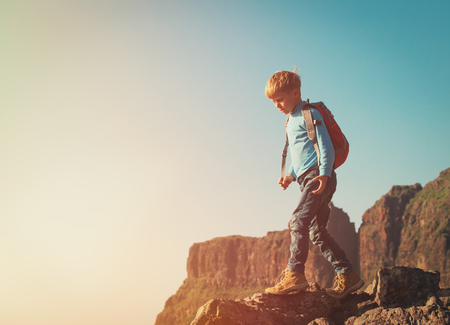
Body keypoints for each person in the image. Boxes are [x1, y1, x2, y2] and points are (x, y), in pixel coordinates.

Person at [264, 68, 364, 299]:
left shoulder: (309, 113)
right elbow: (300, 155)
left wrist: (325, 173)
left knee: (298, 220)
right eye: (273, 101)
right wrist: (290, 175)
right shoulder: (291, 120)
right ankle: (348, 275)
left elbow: (324, 145)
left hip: (318, 177)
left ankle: (295, 274)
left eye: (280, 99)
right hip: (308, 177)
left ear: (295, 92)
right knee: (317, 232)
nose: (277, 105)